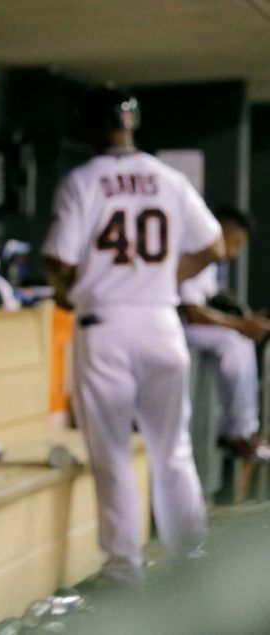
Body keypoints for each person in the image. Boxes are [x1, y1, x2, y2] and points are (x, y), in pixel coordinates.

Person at [43, 87, 225, 585]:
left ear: (91, 129)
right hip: (162, 322)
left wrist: (68, 291)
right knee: (174, 448)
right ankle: (191, 557)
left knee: (113, 450)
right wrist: (166, 277)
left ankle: (125, 568)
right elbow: (214, 246)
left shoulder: (84, 179)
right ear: (132, 125)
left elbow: (58, 259)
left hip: (106, 324)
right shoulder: (169, 179)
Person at [180, 206, 270, 461]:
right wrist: (242, 326)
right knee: (232, 341)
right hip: (167, 326)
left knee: (238, 342)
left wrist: (244, 319)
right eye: (236, 242)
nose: (235, 252)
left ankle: (244, 430)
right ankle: (239, 433)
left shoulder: (210, 259)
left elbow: (211, 300)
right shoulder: (195, 249)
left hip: (185, 327)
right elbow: (193, 312)